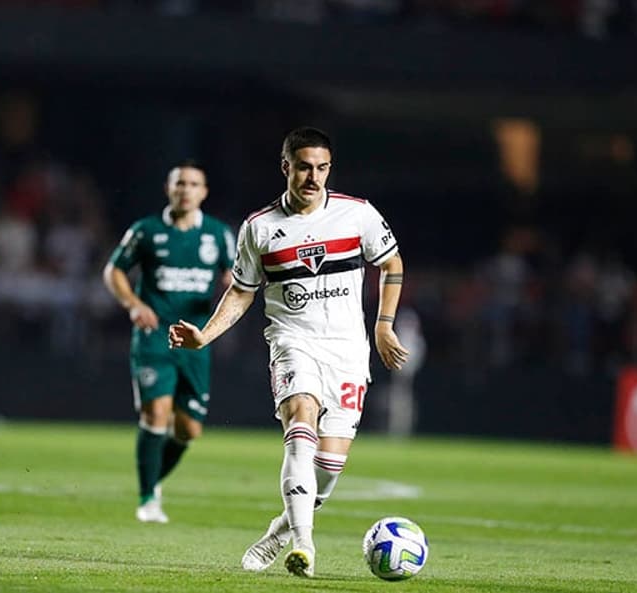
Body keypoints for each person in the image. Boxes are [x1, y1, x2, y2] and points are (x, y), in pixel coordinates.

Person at [168, 127, 408, 577]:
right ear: (286, 168)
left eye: (321, 168)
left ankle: (277, 534)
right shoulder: (259, 229)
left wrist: (383, 326)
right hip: (292, 342)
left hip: (348, 352)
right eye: (303, 168)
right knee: (301, 418)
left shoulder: (357, 216)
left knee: (330, 467)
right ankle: (304, 545)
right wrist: (204, 334)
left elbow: (391, 262)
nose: (313, 177)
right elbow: (241, 293)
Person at [103, 160, 235, 523]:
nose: (185, 189)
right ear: (168, 189)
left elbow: (236, 275)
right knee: (156, 413)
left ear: (203, 192)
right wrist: (133, 304)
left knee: (189, 429)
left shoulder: (218, 234)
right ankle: (148, 499)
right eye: (179, 183)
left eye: (193, 184)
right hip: (154, 336)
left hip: (195, 339)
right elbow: (113, 270)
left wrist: (232, 283)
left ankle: (152, 477)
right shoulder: (146, 231)